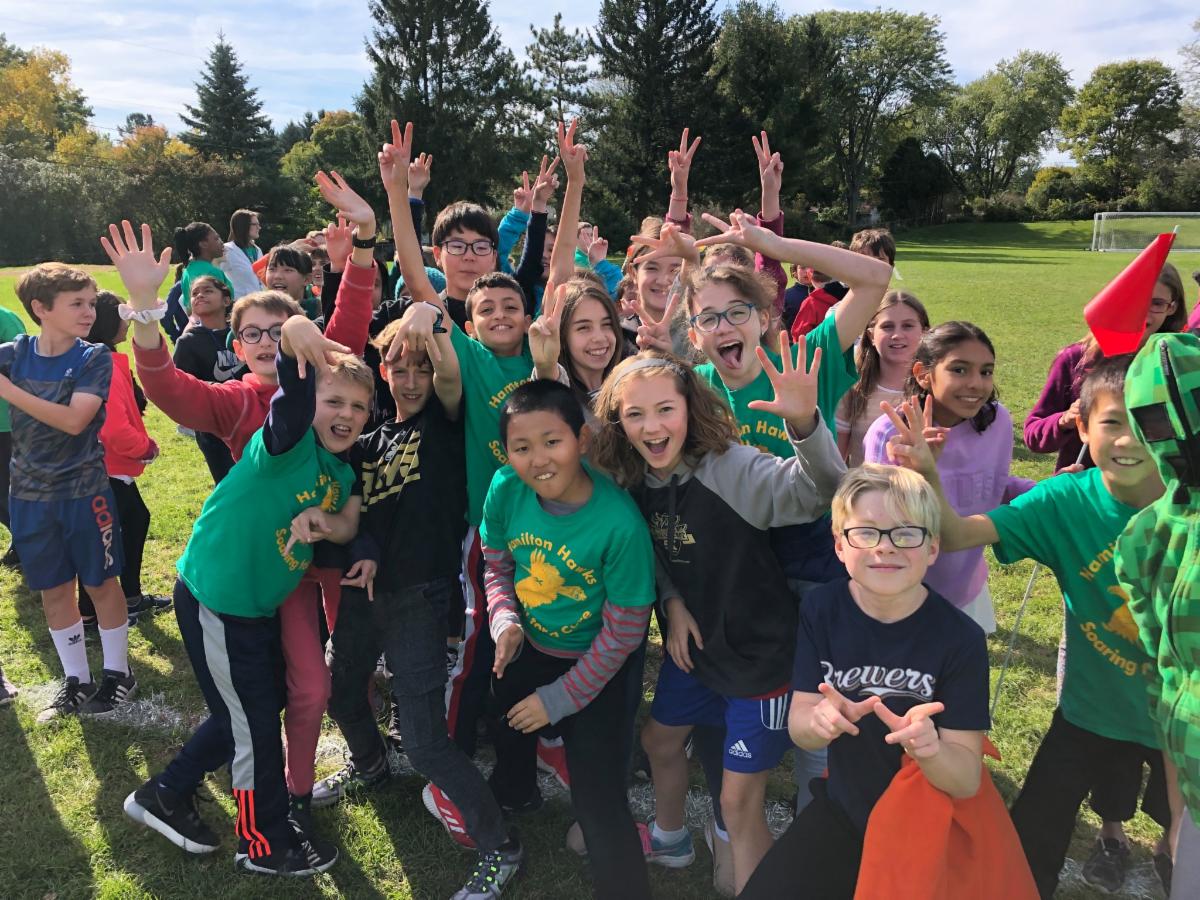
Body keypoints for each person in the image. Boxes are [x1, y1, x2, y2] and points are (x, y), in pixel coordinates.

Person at [114, 223, 370, 876]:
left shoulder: (338, 466)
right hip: (221, 598)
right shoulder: (282, 440)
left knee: (253, 711)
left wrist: (330, 521)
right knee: (253, 723)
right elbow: (288, 405)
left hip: (256, 601)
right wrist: (296, 334)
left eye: (357, 408)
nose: (343, 414)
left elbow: (347, 513)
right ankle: (263, 840)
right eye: (332, 401)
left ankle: (168, 791)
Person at [886, 356, 1173, 898]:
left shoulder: (1189, 503)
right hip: (1090, 710)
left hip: (1180, 717)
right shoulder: (1066, 500)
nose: (1129, 439)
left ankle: (1167, 856)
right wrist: (927, 472)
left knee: (1182, 835)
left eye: (1147, 422)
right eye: (1112, 421)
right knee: (1032, 838)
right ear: (1082, 427)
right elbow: (958, 534)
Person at [589, 339, 847, 895]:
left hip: (760, 662)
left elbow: (820, 492)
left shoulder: (732, 469)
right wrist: (672, 599)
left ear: (691, 406)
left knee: (738, 803)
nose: (652, 426)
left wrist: (805, 424)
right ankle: (672, 838)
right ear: (617, 423)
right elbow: (648, 548)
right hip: (698, 650)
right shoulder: (633, 477)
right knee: (660, 741)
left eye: (665, 409)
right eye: (635, 414)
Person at [380, 119, 587, 769]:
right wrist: (398, 192)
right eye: (486, 310)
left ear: (528, 315)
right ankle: (459, 735)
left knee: (553, 622)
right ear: (468, 322)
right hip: (490, 526)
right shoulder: (467, 359)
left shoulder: (542, 346)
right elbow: (417, 279)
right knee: (483, 634)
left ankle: (546, 727)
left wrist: (575, 181)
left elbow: (558, 267)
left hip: (555, 522)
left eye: (510, 308)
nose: (500, 315)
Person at [739, 463, 990, 899]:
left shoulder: (960, 639)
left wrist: (931, 750)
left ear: (932, 547)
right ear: (840, 545)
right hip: (843, 810)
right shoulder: (821, 610)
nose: (885, 547)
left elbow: (966, 778)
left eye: (906, 533)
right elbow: (800, 725)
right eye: (866, 533)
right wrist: (819, 721)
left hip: (922, 822)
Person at [481, 379, 657, 900]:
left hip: (601, 664)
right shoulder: (505, 488)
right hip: (531, 646)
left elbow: (624, 633)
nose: (538, 460)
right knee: (506, 715)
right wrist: (505, 621)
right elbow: (496, 565)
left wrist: (558, 699)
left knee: (598, 798)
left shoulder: (620, 523)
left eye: (552, 441)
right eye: (521, 447)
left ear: (581, 440)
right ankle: (516, 792)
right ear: (505, 452)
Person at [5, 263, 136, 720]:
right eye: (76, 303)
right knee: (53, 588)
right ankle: (77, 680)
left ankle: (119, 673)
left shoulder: (92, 357)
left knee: (100, 582)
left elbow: (75, 420)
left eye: (90, 302)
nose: (89, 312)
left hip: (85, 492)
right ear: (40, 309)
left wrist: (7, 391)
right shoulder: (14, 354)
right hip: (28, 496)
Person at [863, 321, 1034, 634]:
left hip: (967, 587)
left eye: (986, 371)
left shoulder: (996, 421)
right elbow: (874, 525)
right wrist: (916, 472)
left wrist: (1055, 489)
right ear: (923, 374)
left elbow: (993, 485)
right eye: (959, 370)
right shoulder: (891, 434)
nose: (976, 383)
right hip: (902, 598)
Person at [1115, 332, 1200, 900]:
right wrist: (1177, 815)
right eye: (1160, 420)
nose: (1183, 432)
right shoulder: (1144, 536)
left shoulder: (1143, 535)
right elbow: (1168, 674)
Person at [1025, 261, 1188, 471]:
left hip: (1156, 486)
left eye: (1156, 303)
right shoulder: (1076, 359)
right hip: (1086, 484)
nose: (1143, 312)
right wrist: (1064, 420)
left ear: (1172, 307)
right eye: (1136, 299)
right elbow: (1033, 436)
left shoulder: (1179, 361)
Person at [77, 291, 170, 627]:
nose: (128, 320)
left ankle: (118, 600)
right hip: (105, 466)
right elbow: (113, 429)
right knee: (109, 534)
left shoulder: (92, 357)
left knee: (127, 522)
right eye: (123, 314)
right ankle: (97, 611)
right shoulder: (103, 364)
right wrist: (146, 447)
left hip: (96, 464)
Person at [836, 291, 929, 468]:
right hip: (864, 485)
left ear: (924, 332)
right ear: (871, 336)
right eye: (887, 326)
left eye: (907, 326)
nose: (897, 335)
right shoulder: (854, 389)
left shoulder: (936, 389)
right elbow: (836, 462)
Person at [172, 275, 245, 483]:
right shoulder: (188, 342)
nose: (200, 296)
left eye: (208, 291)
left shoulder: (245, 333)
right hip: (214, 432)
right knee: (230, 484)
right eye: (195, 293)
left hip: (250, 418)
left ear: (226, 300)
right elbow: (183, 389)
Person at [0, 302, 26, 567]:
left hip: (7, 423)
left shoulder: (4, 319)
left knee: (9, 488)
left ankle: (25, 541)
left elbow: (25, 366)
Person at [173, 221, 234, 315]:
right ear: (203, 244)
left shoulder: (187, 271)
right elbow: (223, 307)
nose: (222, 242)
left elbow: (189, 308)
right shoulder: (212, 272)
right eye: (216, 238)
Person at [220, 209, 264, 298]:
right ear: (243, 226)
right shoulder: (227, 250)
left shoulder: (257, 250)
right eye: (255, 224)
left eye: (258, 224)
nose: (259, 227)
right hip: (239, 303)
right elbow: (214, 277)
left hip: (260, 302)